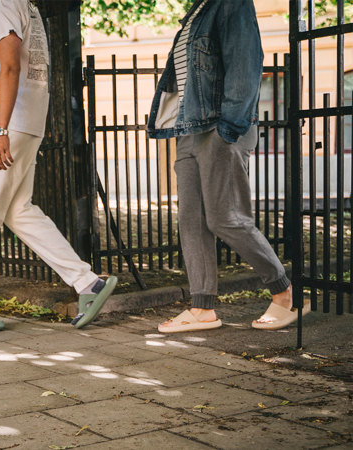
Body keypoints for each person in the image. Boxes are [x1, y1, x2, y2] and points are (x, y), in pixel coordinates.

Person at [0, 0, 117, 332]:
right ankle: (88, 284)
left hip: (7, 123)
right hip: (30, 124)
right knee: (19, 211)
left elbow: (10, 67)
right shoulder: (31, 9)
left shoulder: (5, 4)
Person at [147, 0, 301, 332]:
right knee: (192, 219)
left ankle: (284, 291)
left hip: (221, 126)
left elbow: (246, 64)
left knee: (226, 217)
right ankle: (202, 308)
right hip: (189, 128)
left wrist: (229, 126)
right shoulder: (196, 11)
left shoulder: (231, 4)